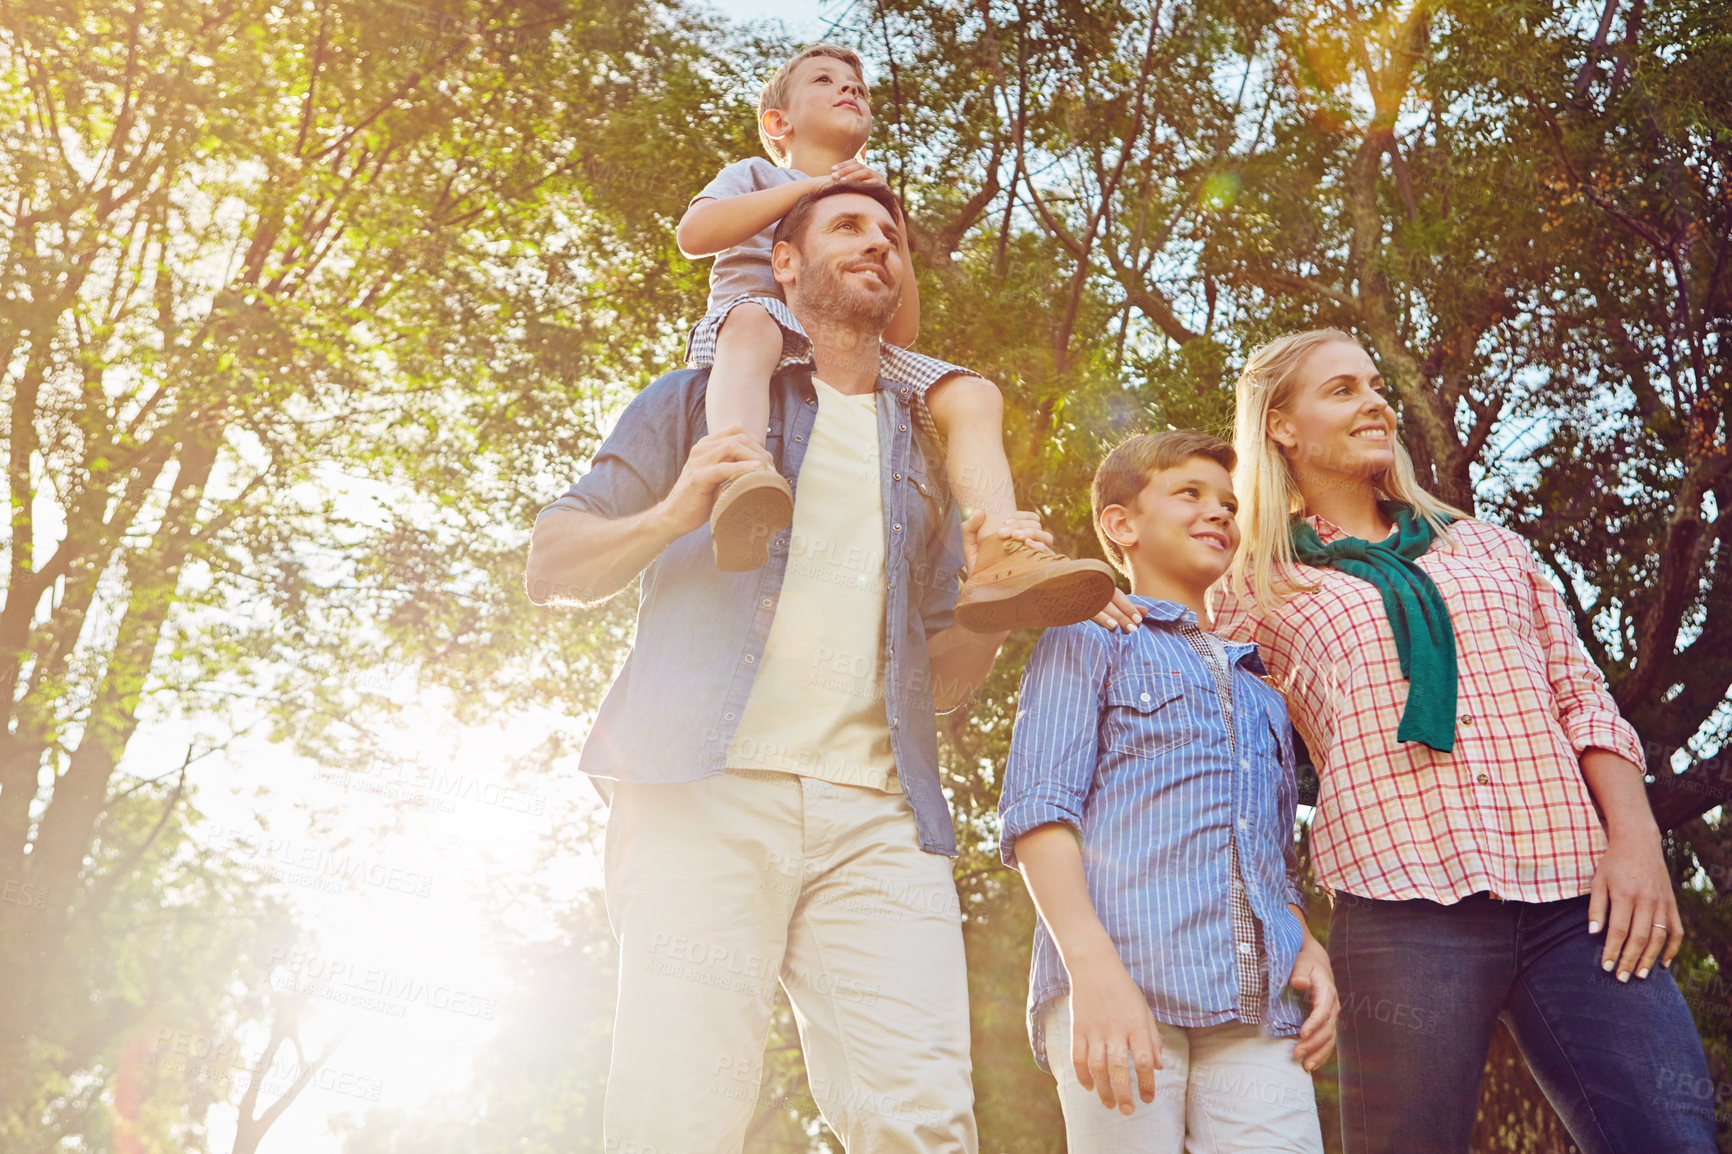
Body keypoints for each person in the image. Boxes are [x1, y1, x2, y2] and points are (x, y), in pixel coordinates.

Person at [526, 181, 1034, 1152]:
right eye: (850, 225)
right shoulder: (699, 401)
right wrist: (676, 509)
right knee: (676, 1117)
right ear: (785, 265)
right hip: (701, 791)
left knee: (926, 1124)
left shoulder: (928, 454)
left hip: (882, 819)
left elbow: (946, 677)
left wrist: (990, 613)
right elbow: (551, 563)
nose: (878, 243)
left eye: (893, 235)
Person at [1214, 329, 1717, 1154]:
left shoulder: (1484, 545)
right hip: (1402, 907)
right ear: (1280, 426)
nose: (1375, 401)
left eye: (1376, 385)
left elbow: (1580, 698)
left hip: (1577, 898)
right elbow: (1227, 758)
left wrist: (1635, 841)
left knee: (1672, 1139)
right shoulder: (1252, 585)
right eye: (1341, 389)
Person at [675, 43, 1119, 631]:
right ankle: (739, 478)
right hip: (748, 343)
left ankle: (999, 547)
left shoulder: (874, 208)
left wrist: (895, 223)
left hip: (851, 350)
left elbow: (902, 330)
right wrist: (803, 191)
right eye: (826, 80)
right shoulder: (758, 175)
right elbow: (694, 233)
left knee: (974, 394)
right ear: (778, 124)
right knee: (757, 316)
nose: (850, 89)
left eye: (858, 86)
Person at [999, 430, 1338, 1152]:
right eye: (1189, 494)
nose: (1219, 512)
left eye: (1228, 503)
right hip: (1123, 985)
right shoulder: (1087, 635)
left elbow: (1267, 852)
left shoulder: (1260, 688)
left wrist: (1302, 938)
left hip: (1257, 1007)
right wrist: (1091, 972)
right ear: (1121, 525)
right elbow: (1038, 814)